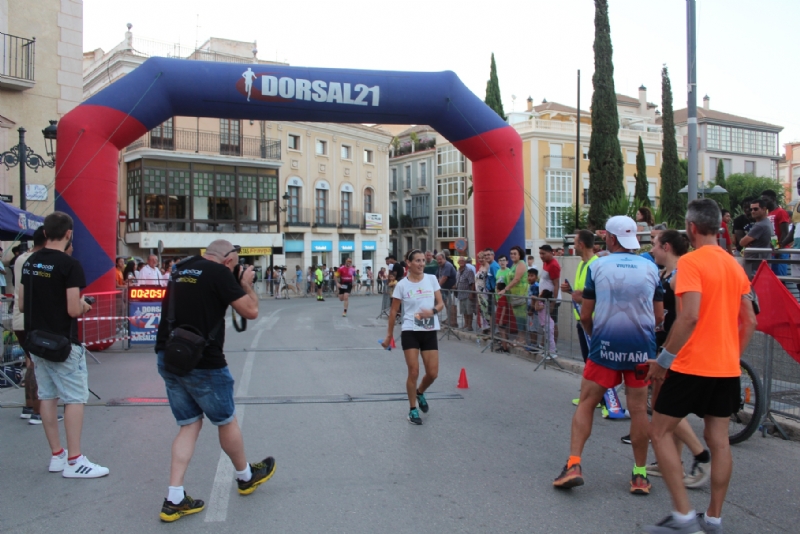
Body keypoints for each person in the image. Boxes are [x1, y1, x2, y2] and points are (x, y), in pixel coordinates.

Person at [643, 200, 756, 534]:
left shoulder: (692, 262)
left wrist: (663, 360)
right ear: (718, 226)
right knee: (719, 441)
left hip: (691, 364)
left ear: (691, 228)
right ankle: (714, 519)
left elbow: (690, 315)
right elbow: (749, 321)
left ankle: (683, 518)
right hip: (726, 367)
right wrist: (731, 355)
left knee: (659, 431)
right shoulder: (734, 264)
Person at [155, 240, 274, 522]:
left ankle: (174, 498)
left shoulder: (180, 268)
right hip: (203, 361)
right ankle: (246, 476)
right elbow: (251, 311)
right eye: (235, 263)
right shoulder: (219, 273)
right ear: (228, 260)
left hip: (169, 356)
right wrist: (245, 283)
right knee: (225, 419)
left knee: (188, 424)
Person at [553, 215, 663, 496]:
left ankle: (574, 465)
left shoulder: (598, 266)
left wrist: (593, 333)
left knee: (587, 402)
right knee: (638, 409)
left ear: (611, 239)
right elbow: (659, 316)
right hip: (641, 347)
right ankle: (639, 475)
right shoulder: (650, 267)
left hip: (605, 345)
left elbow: (586, 314)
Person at [19, 211, 109, 478]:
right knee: (74, 399)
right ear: (69, 234)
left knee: (47, 396)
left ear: (45, 233)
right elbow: (72, 309)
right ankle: (75, 460)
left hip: (36, 340)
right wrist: (84, 306)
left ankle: (57, 455)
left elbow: (22, 304)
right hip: (63, 342)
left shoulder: (30, 262)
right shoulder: (70, 265)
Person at [636, 230, 711, 489]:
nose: (652, 250)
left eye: (655, 245)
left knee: (662, 407)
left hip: (675, 350)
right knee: (668, 408)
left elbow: (686, 316)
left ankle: (700, 454)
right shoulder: (666, 274)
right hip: (667, 345)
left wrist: (668, 353)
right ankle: (675, 462)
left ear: (666, 247)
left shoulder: (681, 274)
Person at [382, 249, 445, 425]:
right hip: (410, 329)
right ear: (408, 263)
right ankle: (412, 409)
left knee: (432, 373)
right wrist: (389, 336)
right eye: (417, 261)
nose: (421, 264)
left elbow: (440, 304)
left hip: (429, 328)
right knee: (414, 371)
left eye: (423, 260)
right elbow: (394, 311)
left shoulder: (431, 280)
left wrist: (431, 311)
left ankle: (420, 392)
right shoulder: (402, 285)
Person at [15, 228, 49, 424]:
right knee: (36, 364)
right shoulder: (38, 261)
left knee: (30, 362)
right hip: (31, 317)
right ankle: (38, 411)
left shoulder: (21, 258)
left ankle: (28, 406)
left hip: (18, 317)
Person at [560, 229, 598, 365]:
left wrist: (582, 298)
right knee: (587, 361)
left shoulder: (596, 265)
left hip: (593, 320)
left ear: (581, 245)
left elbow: (599, 295)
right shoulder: (582, 263)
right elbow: (582, 292)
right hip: (581, 320)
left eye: (575, 243)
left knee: (594, 362)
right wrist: (570, 291)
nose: (574, 247)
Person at [496, 245, 529, 346]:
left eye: (515, 253)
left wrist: (505, 290)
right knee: (517, 317)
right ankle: (519, 338)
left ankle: (522, 339)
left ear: (520, 255)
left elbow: (516, 279)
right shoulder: (514, 265)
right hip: (514, 296)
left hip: (520, 295)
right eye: (511, 253)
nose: (512, 255)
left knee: (521, 317)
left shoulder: (521, 264)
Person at [739, 198, 774, 277]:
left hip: (755, 266)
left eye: (755, 209)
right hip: (763, 263)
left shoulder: (760, 225)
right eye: (751, 209)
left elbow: (742, 242)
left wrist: (747, 242)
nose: (752, 211)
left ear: (764, 209)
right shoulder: (767, 222)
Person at [762, 189, 792, 276]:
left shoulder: (781, 212)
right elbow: (773, 233)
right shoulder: (769, 214)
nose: (764, 203)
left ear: (773, 199)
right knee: (774, 277)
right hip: (773, 249)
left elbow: (785, 232)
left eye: (766, 200)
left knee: (780, 278)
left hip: (781, 250)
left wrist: (778, 249)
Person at [538, 244, 561, 341]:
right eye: (540, 253)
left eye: (543, 253)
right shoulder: (545, 263)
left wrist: (553, 302)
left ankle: (553, 347)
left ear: (551, 252)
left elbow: (556, 284)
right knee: (546, 323)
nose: (541, 256)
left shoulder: (554, 265)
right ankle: (545, 345)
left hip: (551, 299)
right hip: (545, 299)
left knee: (553, 323)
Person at [436, 252, 457, 327]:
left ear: (444, 258)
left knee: (450, 304)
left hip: (450, 289)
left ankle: (453, 321)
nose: (439, 261)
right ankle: (449, 318)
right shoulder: (440, 266)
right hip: (444, 288)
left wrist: (437, 287)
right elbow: (438, 276)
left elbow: (444, 277)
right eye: (437, 260)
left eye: (440, 259)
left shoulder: (447, 265)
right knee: (447, 304)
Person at [455, 256, 475, 331]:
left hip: (467, 293)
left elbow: (472, 283)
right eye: (460, 261)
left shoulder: (469, 270)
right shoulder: (458, 270)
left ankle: (470, 325)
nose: (461, 262)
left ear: (465, 262)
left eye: (463, 260)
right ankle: (466, 324)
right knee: (463, 311)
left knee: (469, 310)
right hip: (460, 294)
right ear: (457, 262)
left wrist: (471, 293)